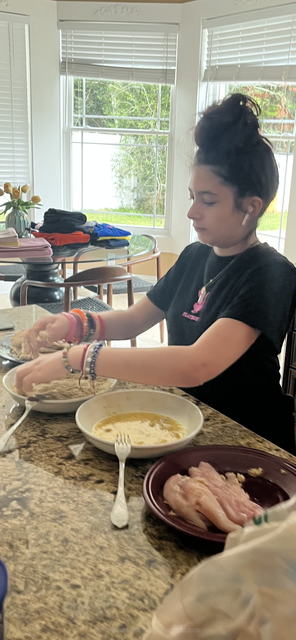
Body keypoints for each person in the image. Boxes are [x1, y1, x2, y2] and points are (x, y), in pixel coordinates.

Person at [15, 93, 296, 453]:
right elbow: (133, 320)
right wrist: (74, 324)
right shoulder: (195, 256)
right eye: (193, 197)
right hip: (185, 422)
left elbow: (197, 364)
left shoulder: (271, 274)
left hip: (248, 441)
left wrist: (80, 358)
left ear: (250, 206)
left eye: (208, 201)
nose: (192, 212)